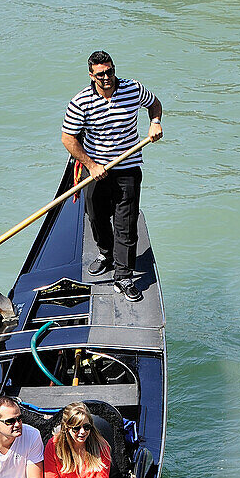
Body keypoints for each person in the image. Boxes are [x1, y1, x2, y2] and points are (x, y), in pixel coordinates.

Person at [61, 50, 163, 303]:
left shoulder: (133, 89)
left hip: (128, 167)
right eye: (100, 74)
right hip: (95, 170)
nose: (107, 77)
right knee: (96, 216)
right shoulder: (80, 102)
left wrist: (155, 122)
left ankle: (124, 275)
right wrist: (91, 165)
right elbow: (68, 139)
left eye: (110, 71)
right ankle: (105, 252)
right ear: (91, 75)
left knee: (125, 224)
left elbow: (154, 104)